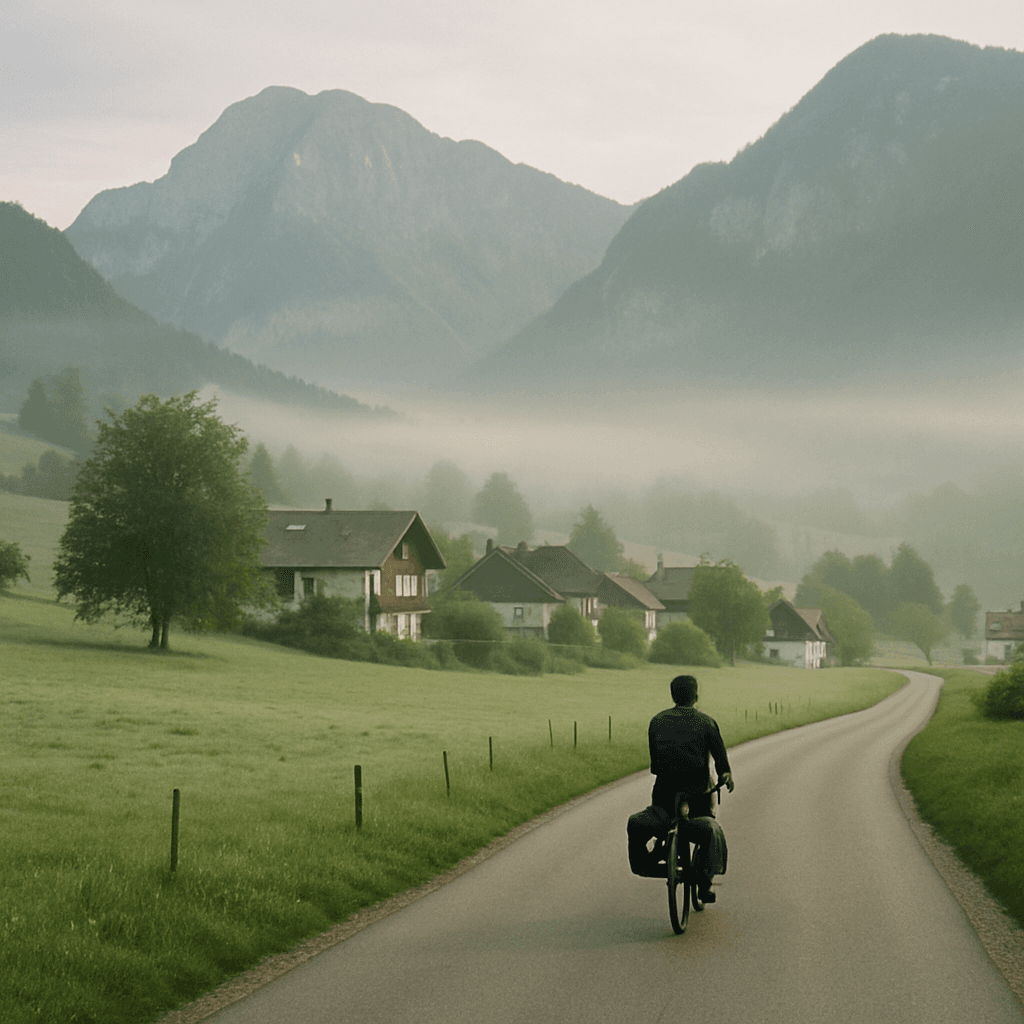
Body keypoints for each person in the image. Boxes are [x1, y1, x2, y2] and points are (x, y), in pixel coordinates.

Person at [627, 675, 734, 902]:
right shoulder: (707, 723)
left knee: (639, 823)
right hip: (698, 798)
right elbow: (721, 761)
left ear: (672, 695)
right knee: (709, 830)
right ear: (696, 696)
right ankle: (704, 884)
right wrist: (726, 776)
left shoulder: (657, 721)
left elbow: (655, 765)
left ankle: (649, 860)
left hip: (664, 797)